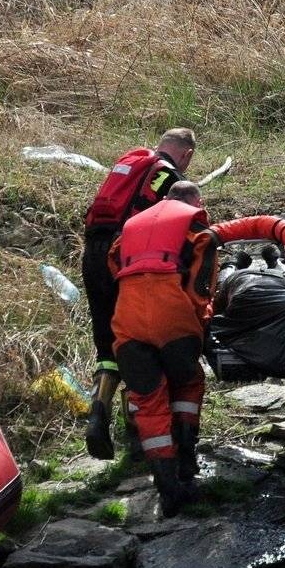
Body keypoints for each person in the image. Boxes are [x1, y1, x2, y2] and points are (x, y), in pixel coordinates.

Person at [81, 128, 196, 460]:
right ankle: (138, 427)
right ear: (187, 154)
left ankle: (98, 411)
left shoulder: (130, 166)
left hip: (92, 255)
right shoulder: (170, 178)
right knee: (136, 341)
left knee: (107, 344)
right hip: (123, 258)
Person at [107, 180, 217, 517]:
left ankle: (167, 488)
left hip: (128, 319)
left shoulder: (130, 230)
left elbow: (114, 265)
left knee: (148, 402)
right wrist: (201, 323)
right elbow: (201, 289)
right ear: (196, 202)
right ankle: (186, 461)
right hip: (173, 316)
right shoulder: (198, 231)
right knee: (188, 383)